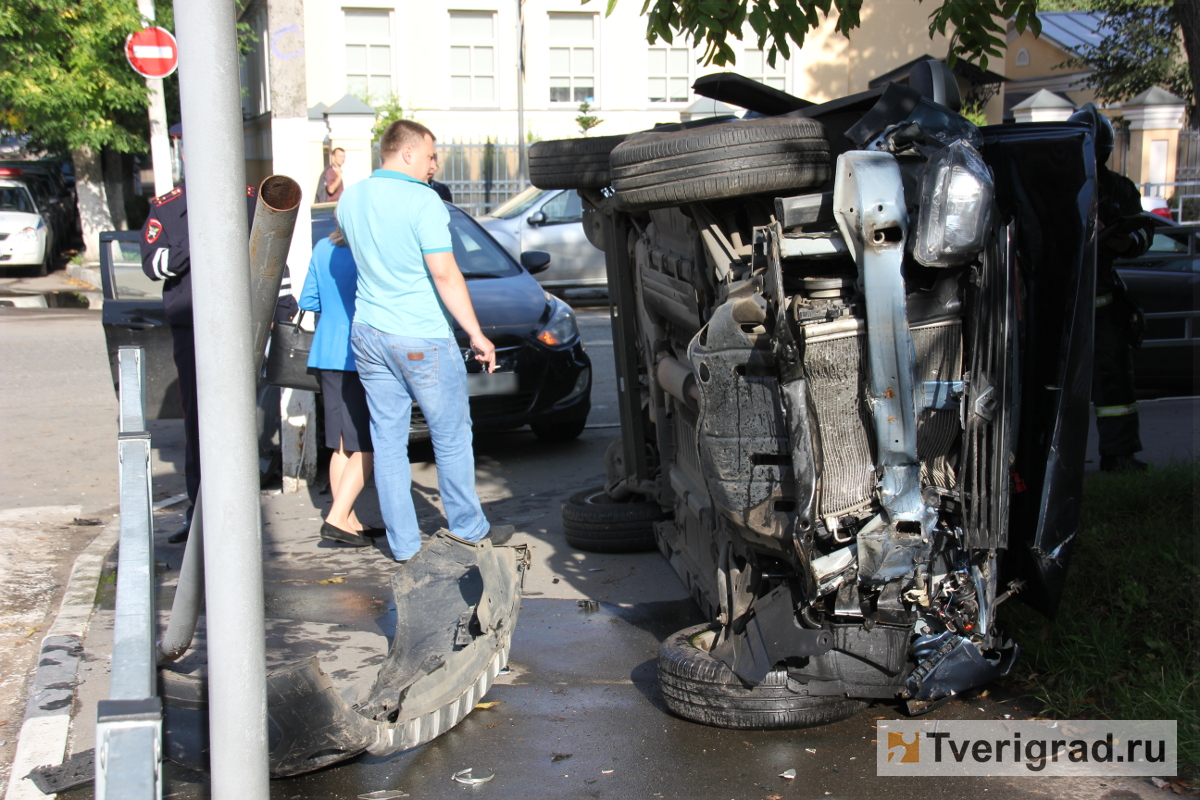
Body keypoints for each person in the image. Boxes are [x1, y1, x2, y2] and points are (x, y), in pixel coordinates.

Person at [336, 119, 513, 562]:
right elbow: (444, 273)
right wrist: (476, 334)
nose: (436, 165)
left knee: (389, 441)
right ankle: (469, 532)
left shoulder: (351, 197)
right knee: (451, 437)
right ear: (408, 152)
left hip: (370, 333)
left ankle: (405, 547)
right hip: (421, 336)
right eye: (432, 155)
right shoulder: (423, 201)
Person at [141, 181, 277, 541]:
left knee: (238, 422)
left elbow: (271, 257)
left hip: (239, 325)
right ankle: (198, 515)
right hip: (193, 330)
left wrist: (281, 307)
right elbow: (153, 265)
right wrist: (199, 235)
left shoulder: (248, 199)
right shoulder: (169, 208)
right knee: (198, 425)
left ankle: (239, 514)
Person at [1070, 104, 1154, 472]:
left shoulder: (1120, 189)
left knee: (1115, 385)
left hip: (1104, 304)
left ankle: (1119, 454)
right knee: (1057, 386)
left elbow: (1143, 231)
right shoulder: (1061, 185)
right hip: (1066, 305)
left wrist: (1127, 242)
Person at [299, 227, 381, 546]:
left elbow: (309, 299)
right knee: (364, 444)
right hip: (357, 354)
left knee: (341, 444)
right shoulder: (366, 250)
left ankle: (348, 519)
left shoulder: (322, 247)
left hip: (325, 353)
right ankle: (337, 518)